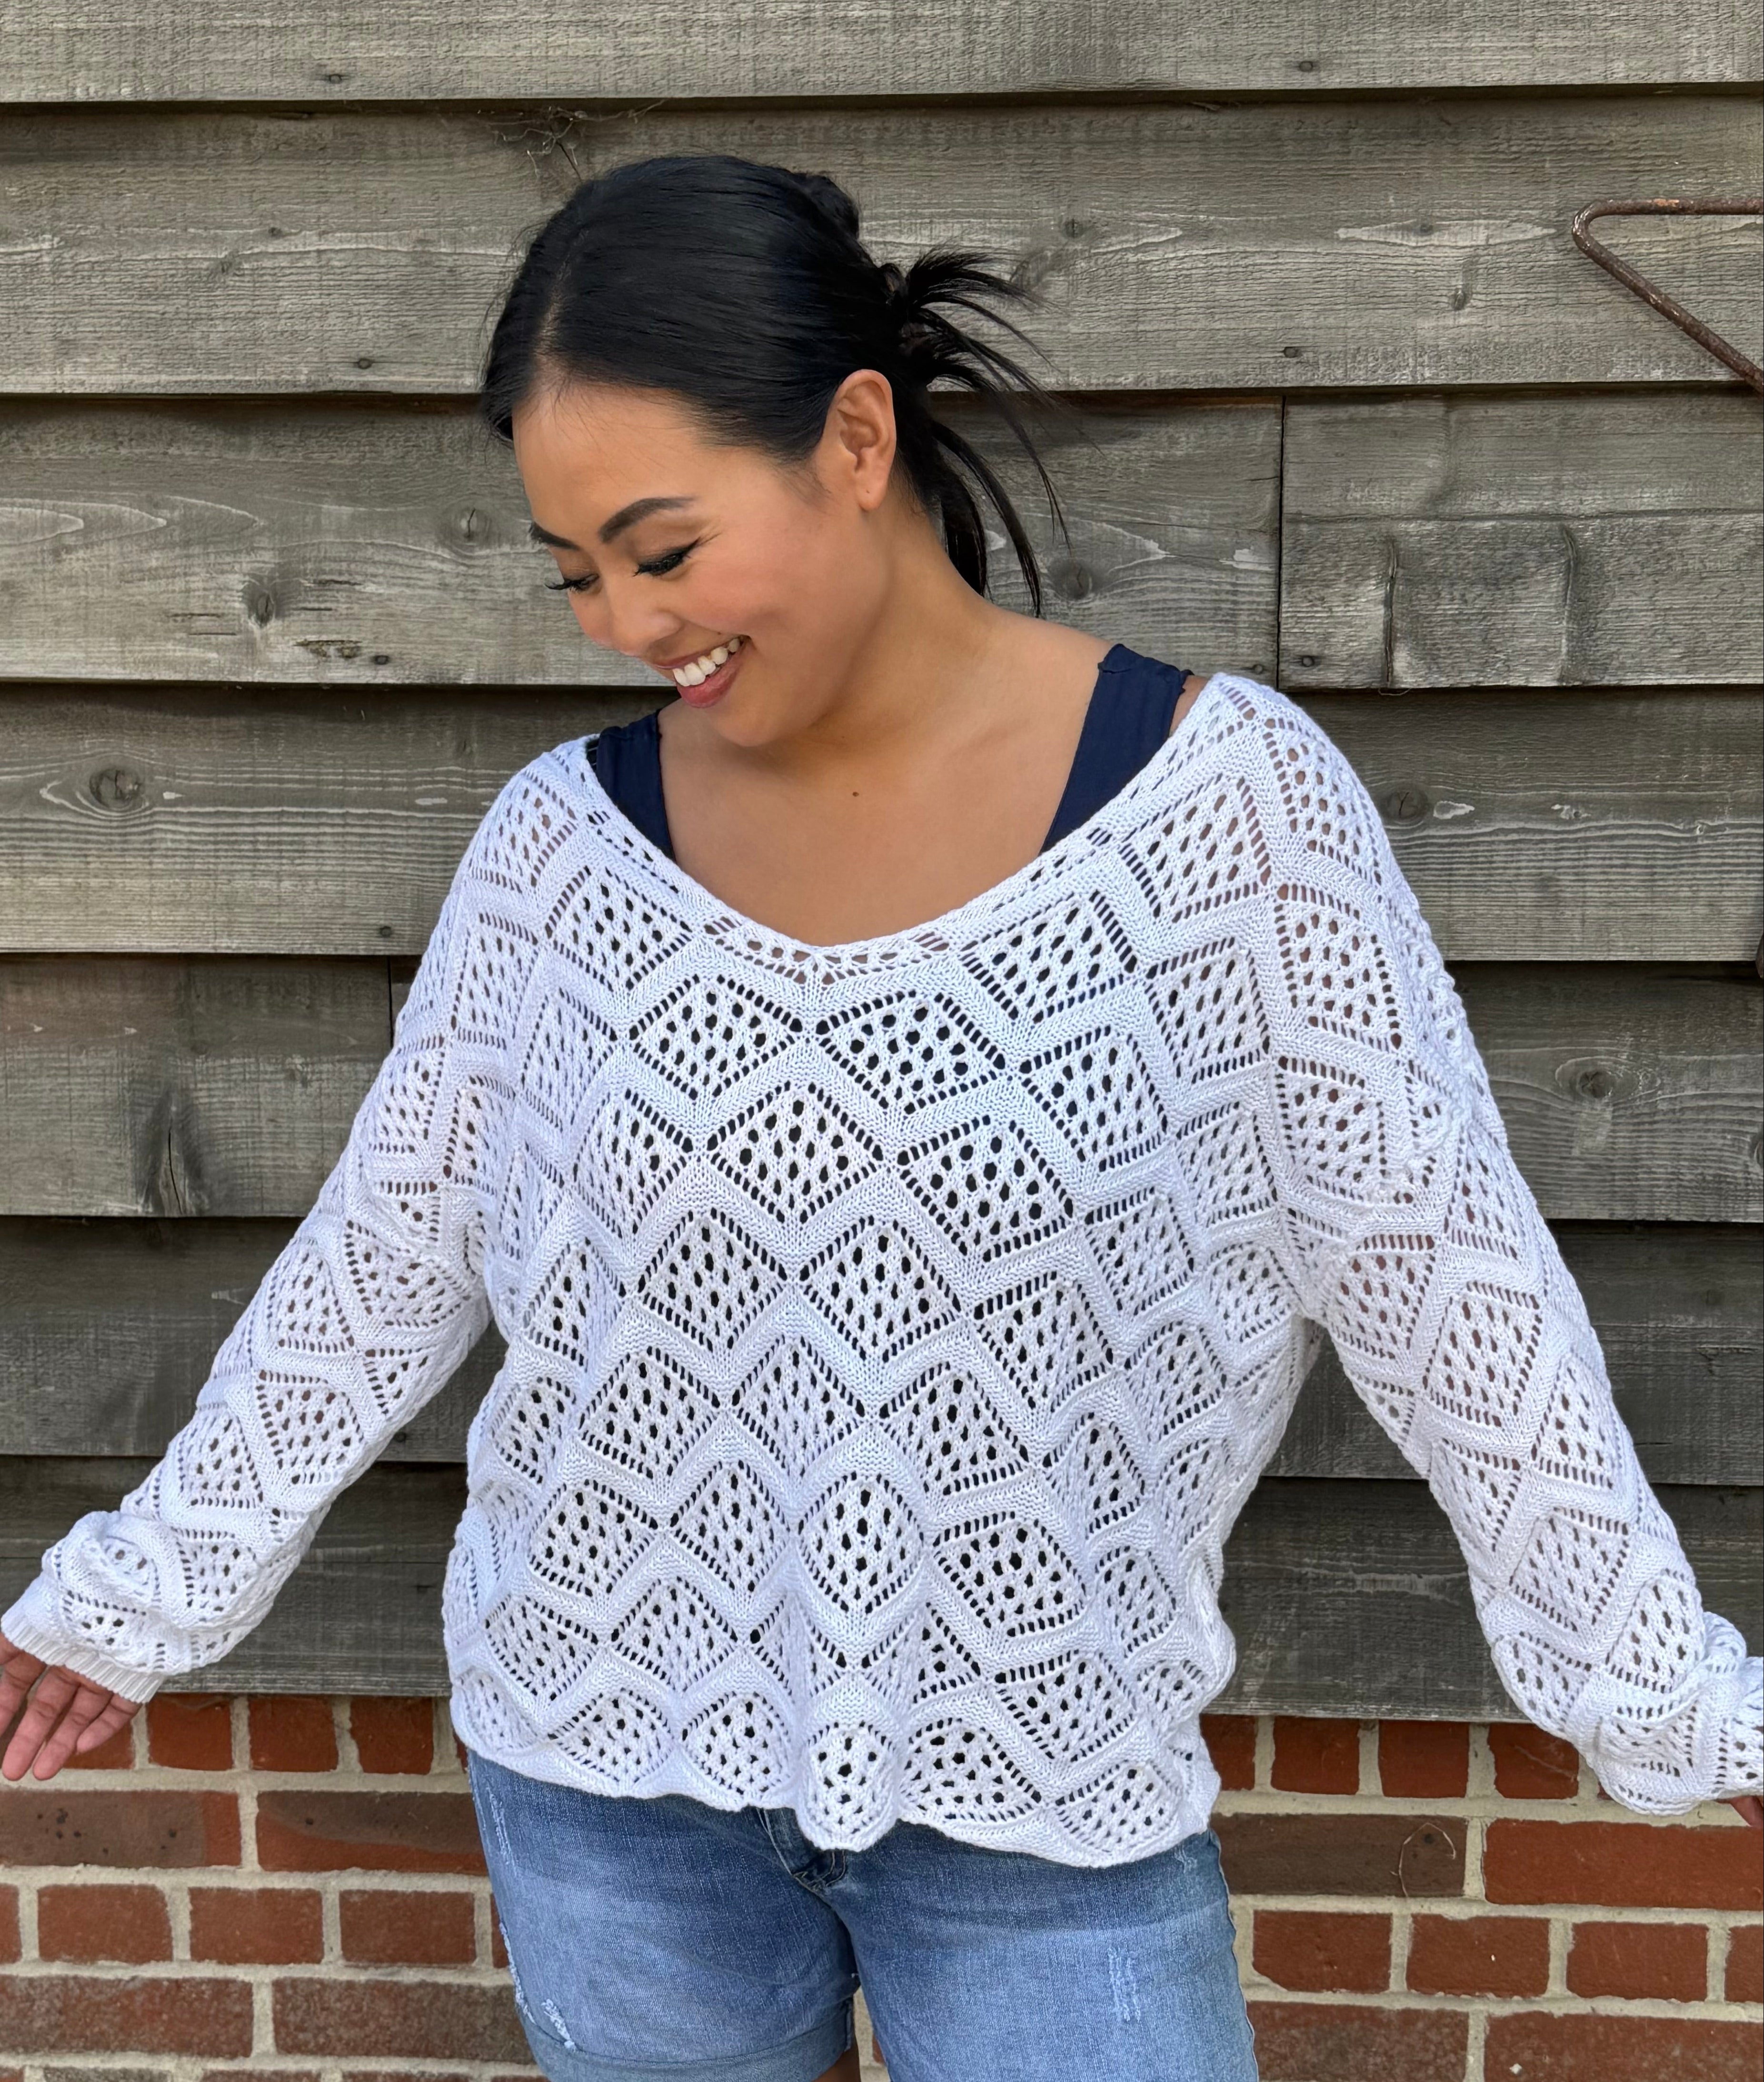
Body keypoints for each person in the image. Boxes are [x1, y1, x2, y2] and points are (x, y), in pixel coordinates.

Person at [2, 153, 1757, 2082]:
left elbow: (1451, 1285)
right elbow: (382, 1265)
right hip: (605, 1775)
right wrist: (140, 1590)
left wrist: (1664, 1687)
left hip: (1045, 1794)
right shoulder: (561, 859)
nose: (619, 623)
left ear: (855, 437)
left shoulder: (1229, 818)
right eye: (576, 569)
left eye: (662, 551)